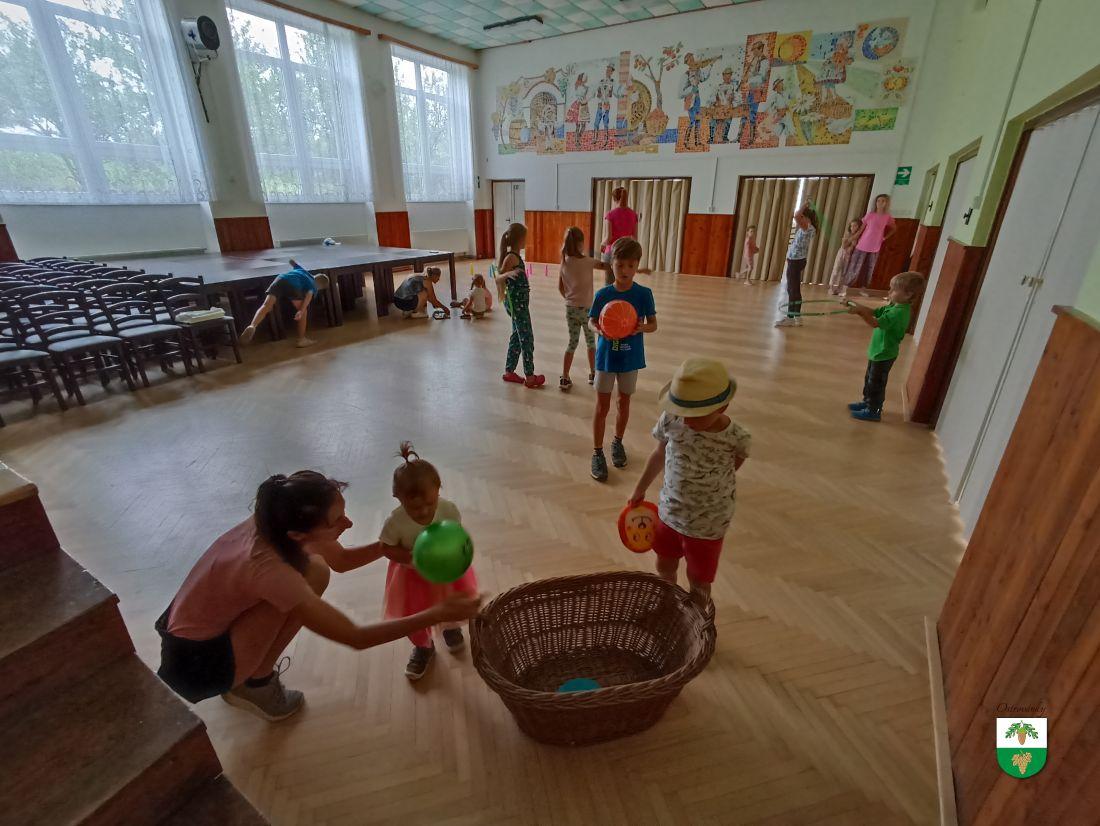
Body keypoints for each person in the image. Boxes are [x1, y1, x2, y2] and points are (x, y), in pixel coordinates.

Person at [155, 472, 482, 720]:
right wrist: (437, 613)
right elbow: (356, 637)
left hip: (191, 626)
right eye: (336, 521)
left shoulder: (278, 514)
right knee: (308, 577)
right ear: (298, 534)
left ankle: (251, 673)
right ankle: (255, 684)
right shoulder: (269, 570)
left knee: (317, 570)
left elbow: (341, 561)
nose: (348, 523)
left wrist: (396, 546)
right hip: (198, 663)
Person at [629, 358, 750, 607]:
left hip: (708, 523)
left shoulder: (737, 438)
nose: (685, 420)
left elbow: (732, 467)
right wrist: (639, 489)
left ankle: (696, 618)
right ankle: (668, 605)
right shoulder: (671, 420)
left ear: (723, 407)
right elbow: (658, 454)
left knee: (699, 578)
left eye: (694, 415)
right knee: (664, 564)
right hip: (669, 512)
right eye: (681, 411)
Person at [380, 442, 480, 680]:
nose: (425, 511)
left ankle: (450, 628)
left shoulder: (448, 510)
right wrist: (412, 557)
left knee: (450, 603)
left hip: (446, 572)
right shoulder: (396, 522)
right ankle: (423, 647)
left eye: (430, 503)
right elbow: (386, 548)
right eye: (415, 507)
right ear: (398, 498)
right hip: (412, 577)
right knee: (415, 614)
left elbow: (456, 535)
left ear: (438, 490)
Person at [588, 237, 657, 482]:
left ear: (637, 265)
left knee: (623, 403)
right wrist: (598, 329)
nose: (625, 270)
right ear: (612, 265)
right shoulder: (603, 294)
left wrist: (641, 327)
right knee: (601, 407)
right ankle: (597, 452)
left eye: (630, 265)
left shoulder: (643, 294)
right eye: (620, 265)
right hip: (606, 358)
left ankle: (617, 442)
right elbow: (591, 321)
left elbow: (653, 324)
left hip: (630, 359)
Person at [844, 271, 925, 422]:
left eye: (894, 290)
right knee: (869, 379)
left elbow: (875, 322)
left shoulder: (899, 313)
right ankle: (867, 402)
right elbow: (874, 312)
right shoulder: (894, 307)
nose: (889, 292)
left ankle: (873, 410)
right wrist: (857, 306)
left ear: (908, 295)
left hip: (884, 353)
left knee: (876, 384)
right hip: (877, 351)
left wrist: (860, 313)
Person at [239, 259, 329, 348]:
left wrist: (294, 263)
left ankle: (253, 325)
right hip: (293, 285)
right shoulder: (313, 285)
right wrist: (301, 311)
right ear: (319, 286)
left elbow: (292, 261)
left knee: (266, 306)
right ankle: (301, 339)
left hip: (280, 279)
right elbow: (308, 297)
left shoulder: (303, 271)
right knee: (304, 312)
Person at [496, 222, 545, 388]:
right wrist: (508, 273)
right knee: (527, 337)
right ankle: (530, 376)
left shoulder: (515, 256)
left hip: (520, 304)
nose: (526, 241)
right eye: (525, 238)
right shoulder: (511, 258)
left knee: (517, 336)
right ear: (519, 239)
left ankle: (509, 371)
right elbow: (498, 278)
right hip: (517, 305)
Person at [557, 227, 596, 391]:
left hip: (570, 309)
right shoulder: (588, 261)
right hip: (587, 310)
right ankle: (593, 374)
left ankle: (565, 377)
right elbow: (607, 266)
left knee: (572, 343)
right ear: (581, 243)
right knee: (591, 342)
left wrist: (570, 299)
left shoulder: (564, 262)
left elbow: (560, 288)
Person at [775, 205, 819, 328]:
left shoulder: (807, 228)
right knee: (794, 289)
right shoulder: (809, 228)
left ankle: (791, 317)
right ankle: (796, 316)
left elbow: (796, 215)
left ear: (806, 218)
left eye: (802, 217)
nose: (800, 219)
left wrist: (805, 204)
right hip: (796, 260)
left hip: (795, 262)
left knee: (792, 290)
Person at [845, 194, 897, 294]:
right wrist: (853, 238)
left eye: (883, 201)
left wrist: (884, 238)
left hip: (875, 247)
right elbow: (861, 229)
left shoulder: (887, 217)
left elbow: (894, 228)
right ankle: (845, 287)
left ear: (886, 203)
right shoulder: (870, 215)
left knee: (869, 269)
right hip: (862, 245)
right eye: (878, 201)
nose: (880, 203)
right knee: (854, 266)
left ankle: (864, 289)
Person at [600, 187, 639, 285]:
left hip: (612, 252)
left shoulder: (610, 214)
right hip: (627, 253)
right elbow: (635, 238)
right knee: (625, 283)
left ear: (614, 199)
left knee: (609, 283)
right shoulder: (633, 214)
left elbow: (608, 238)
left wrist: (602, 244)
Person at [829, 218, 863, 296]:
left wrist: (852, 242)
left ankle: (839, 289)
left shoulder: (860, 237)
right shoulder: (847, 234)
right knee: (836, 270)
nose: (852, 228)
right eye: (851, 226)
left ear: (858, 227)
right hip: (842, 253)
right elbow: (844, 245)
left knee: (844, 273)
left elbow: (854, 246)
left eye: (855, 226)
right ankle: (831, 288)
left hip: (849, 256)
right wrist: (852, 239)